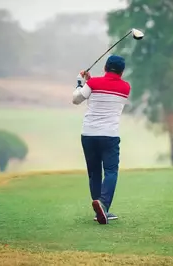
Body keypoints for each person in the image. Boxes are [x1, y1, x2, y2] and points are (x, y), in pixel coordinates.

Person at [72, 55, 131, 225]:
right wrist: (90, 82)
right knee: (111, 171)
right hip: (109, 135)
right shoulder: (126, 87)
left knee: (94, 172)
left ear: (105, 67)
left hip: (89, 134)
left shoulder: (93, 83)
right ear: (122, 71)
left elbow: (76, 99)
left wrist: (80, 82)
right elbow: (106, 89)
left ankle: (100, 210)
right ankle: (103, 206)